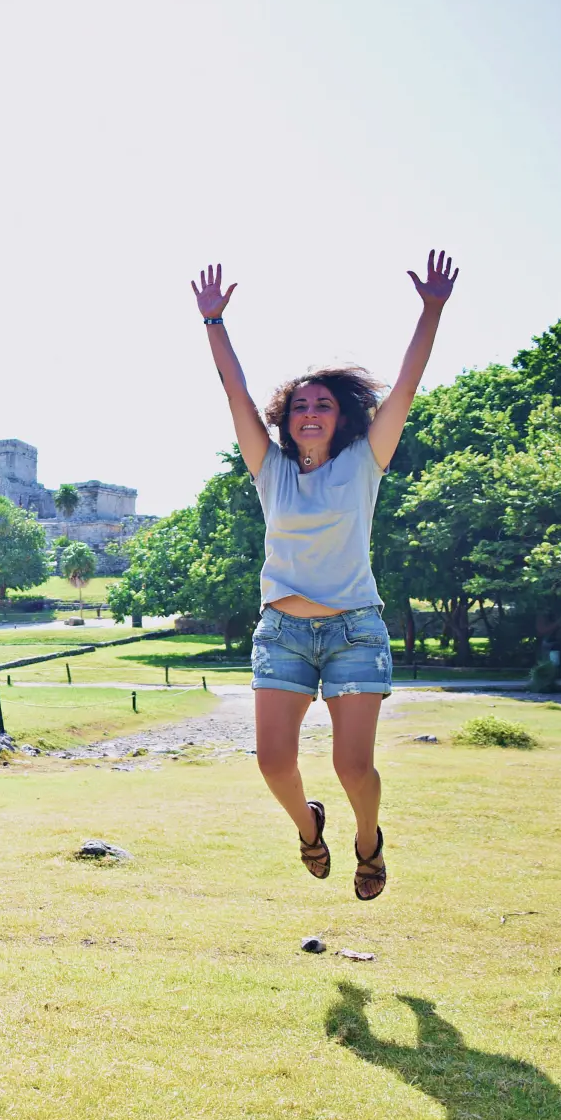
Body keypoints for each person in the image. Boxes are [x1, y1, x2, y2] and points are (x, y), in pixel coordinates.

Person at [193, 251, 459, 901]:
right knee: (273, 762)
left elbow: (405, 388)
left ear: (341, 417)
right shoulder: (271, 470)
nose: (311, 413)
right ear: (286, 418)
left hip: (354, 630)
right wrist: (214, 322)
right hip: (282, 629)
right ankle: (309, 829)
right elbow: (234, 394)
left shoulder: (366, 462)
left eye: (323, 405)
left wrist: (431, 310)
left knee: (352, 765)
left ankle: (369, 839)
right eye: (301, 405)